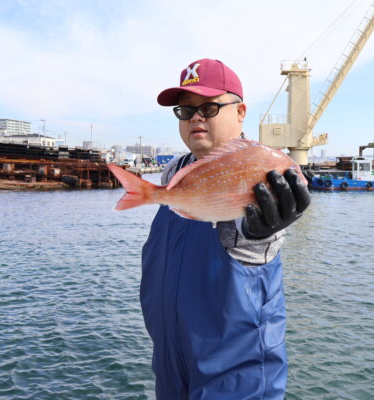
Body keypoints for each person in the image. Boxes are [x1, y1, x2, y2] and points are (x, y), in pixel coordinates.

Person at [141, 58, 311, 399]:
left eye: (208, 106)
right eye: (185, 111)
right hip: (170, 364)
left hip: (236, 377)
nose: (196, 118)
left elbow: (256, 248)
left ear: (240, 112)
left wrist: (260, 235)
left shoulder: (261, 169)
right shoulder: (176, 176)